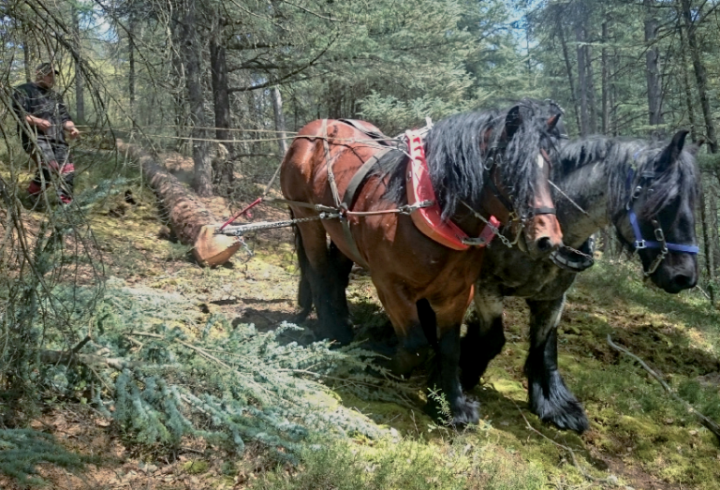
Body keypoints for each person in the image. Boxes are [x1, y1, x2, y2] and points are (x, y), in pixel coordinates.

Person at [12, 62, 80, 206]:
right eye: (49, 75)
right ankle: (32, 195)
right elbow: (20, 114)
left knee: (68, 171)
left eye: (53, 75)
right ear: (38, 73)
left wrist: (72, 128)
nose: (52, 78)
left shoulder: (55, 96)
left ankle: (66, 206)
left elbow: (65, 118)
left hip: (59, 139)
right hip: (35, 137)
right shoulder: (23, 90)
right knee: (50, 166)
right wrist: (38, 121)